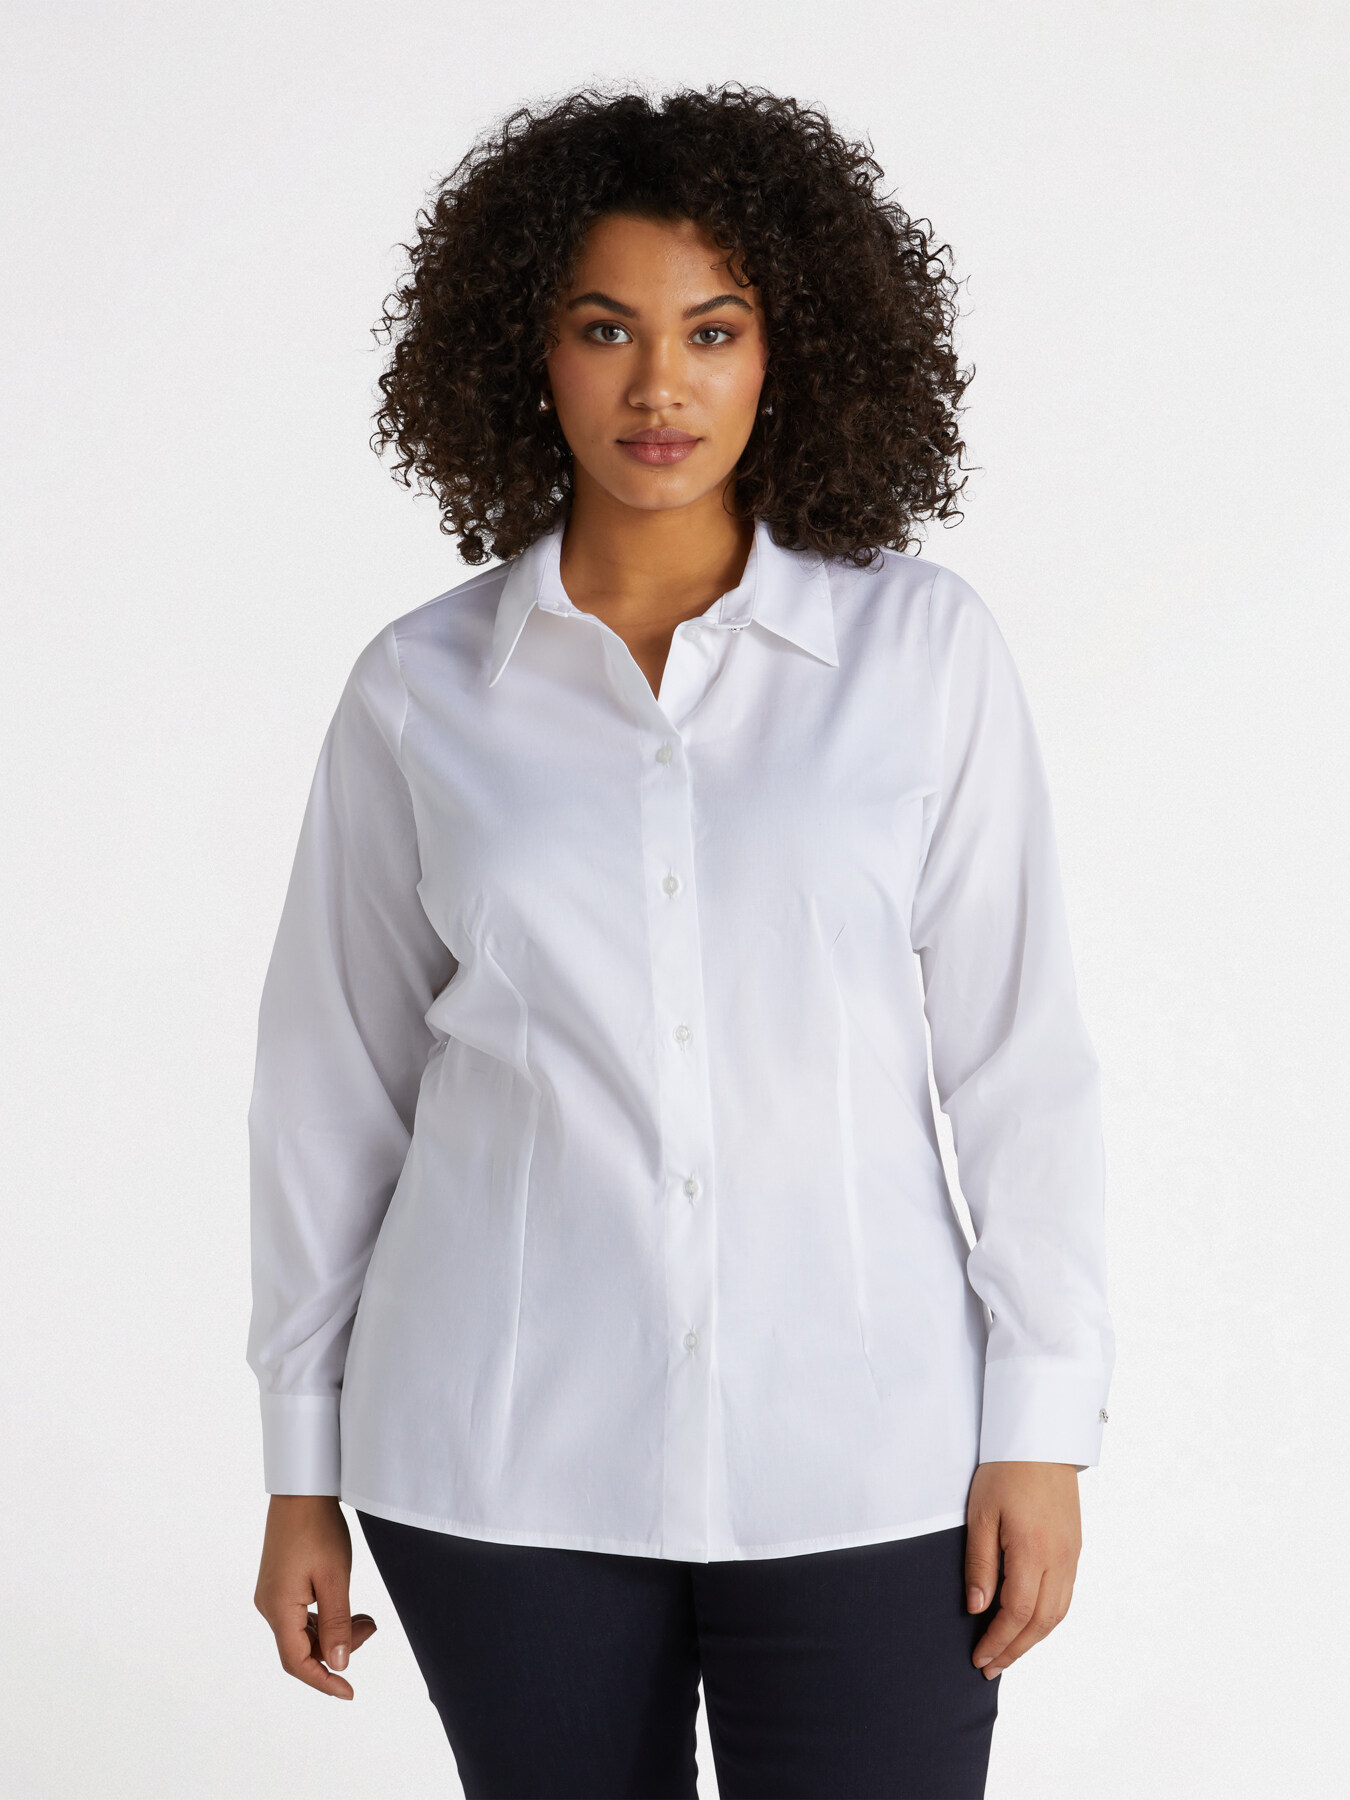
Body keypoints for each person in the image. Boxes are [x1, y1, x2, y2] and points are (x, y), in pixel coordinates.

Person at [247, 83, 1114, 1800]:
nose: (659, 385)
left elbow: (1018, 1061)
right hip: (500, 1460)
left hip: (867, 1454)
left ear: (791, 351)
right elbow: (328, 1089)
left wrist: (1040, 1421)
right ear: (526, 352)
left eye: (712, 331)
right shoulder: (420, 690)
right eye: (605, 329)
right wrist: (299, 1462)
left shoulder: (918, 653)